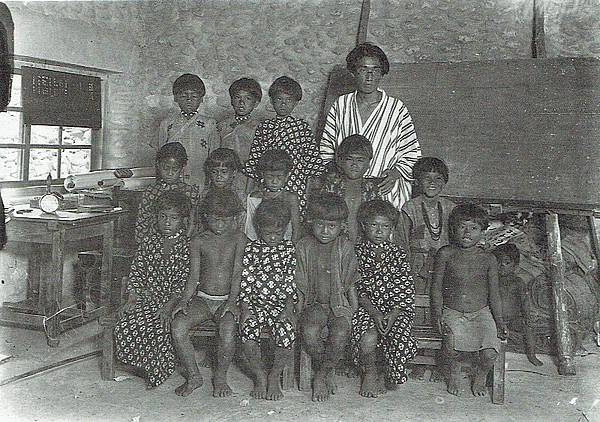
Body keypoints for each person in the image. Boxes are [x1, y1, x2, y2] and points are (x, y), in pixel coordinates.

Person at [320, 42, 421, 210]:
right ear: (353, 72)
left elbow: (412, 152)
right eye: (363, 69)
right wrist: (335, 175)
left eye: (375, 70)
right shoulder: (341, 105)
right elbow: (326, 149)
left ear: (382, 73)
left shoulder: (396, 108)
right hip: (346, 188)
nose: (369, 76)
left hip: (384, 188)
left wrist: (396, 173)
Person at [170, 189, 247, 397]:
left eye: (225, 220)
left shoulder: (240, 238)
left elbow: (238, 272)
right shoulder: (199, 240)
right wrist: (184, 300)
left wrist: (232, 302)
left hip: (228, 300)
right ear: (205, 217)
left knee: (228, 332)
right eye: (214, 220)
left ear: (235, 218)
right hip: (203, 299)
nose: (219, 225)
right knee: (178, 327)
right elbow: (193, 275)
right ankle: (194, 376)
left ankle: (220, 377)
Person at [114, 191, 192, 388]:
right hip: (148, 296)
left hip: (175, 300)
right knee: (127, 323)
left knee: (160, 326)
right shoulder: (149, 242)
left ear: (183, 220)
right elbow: (137, 271)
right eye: (163, 217)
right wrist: (132, 298)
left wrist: (169, 306)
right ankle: (141, 364)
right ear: (156, 217)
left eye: (174, 218)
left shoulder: (187, 246)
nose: (167, 222)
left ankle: (158, 371)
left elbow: (184, 282)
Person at [431, 203, 508, 397]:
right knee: (450, 344)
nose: (467, 232)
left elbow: (494, 294)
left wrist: (499, 321)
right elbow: (436, 289)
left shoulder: (488, 259)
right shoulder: (446, 254)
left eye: (473, 228)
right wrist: (438, 315)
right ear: (453, 229)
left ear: (483, 231)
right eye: (462, 226)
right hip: (452, 312)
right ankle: (454, 370)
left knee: (490, 353)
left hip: (481, 313)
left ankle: (481, 374)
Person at [296, 192, 359, 402]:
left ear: (341, 226)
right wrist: (298, 307)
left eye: (331, 226)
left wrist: (354, 308)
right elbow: (300, 282)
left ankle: (321, 375)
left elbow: (350, 280)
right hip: (314, 303)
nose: (325, 231)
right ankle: (327, 368)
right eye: (320, 225)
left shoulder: (344, 246)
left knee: (340, 333)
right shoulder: (304, 245)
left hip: (339, 303)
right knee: (310, 332)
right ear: (311, 222)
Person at [351, 200, 417, 397]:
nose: (379, 231)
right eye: (374, 225)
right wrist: (375, 313)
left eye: (385, 226)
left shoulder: (398, 253)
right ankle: (370, 373)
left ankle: (386, 373)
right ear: (364, 226)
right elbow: (356, 288)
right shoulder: (357, 252)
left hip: (396, 308)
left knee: (400, 336)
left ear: (392, 228)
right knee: (368, 336)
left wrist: (393, 313)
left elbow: (404, 286)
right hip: (367, 307)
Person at [238, 199, 298, 401]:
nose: (273, 238)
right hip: (254, 304)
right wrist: (245, 309)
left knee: (287, 331)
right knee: (247, 332)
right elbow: (245, 281)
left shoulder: (289, 249)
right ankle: (260, 375)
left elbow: (291, 282)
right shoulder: (252, 249)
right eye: (268, 233)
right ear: (258, 229)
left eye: (278, 234)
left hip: (280, 305)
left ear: (285, 230)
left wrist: (288, 309)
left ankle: (274, 376)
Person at [244, 76, 322, 213]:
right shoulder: (265, 127)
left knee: (292, 216)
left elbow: (311, 161)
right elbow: (254, 160)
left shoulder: (302, 127)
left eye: (289, 100)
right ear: (272, 101)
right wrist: (248, 193)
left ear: (296, 103)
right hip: (269, 182)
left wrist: (308, 193)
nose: (283, 104)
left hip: (295, 182)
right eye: (279, 99)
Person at [310, 134, 383, 243]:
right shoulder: (331, 186)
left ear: (368, 164)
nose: (354, 164)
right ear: (340, 161)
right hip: (335, 246)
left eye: (360, 160)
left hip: (364, 247)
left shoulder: (372, 190)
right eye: (349, 159)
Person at [401, 157, 455, 295]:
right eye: (427, 178)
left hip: (445, 264)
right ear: (417, 181)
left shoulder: (451, 208)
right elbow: (402, 241)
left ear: (444, 182)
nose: (432, 183)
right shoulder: (410, 207)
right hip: (417, 265)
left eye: (438, 178)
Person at [158, 73, 218, 189]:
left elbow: (214, 157)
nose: (189, 100)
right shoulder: (166, 124)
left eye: (194, 96)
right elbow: (160, 156)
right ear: (175, 98)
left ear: (201, 99)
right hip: (172, 180)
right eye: (183, 95)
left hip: (200, 179)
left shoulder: (209, 124)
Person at [135, 142, 200, 246]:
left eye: (175, 169)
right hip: (154, 246)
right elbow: (142, 222)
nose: (170, 173)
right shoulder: (150, 192)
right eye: (166, 168)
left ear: (183, 168)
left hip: (182, 246)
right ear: (158, 164)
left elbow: (194, 224)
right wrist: (143, 247)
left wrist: (183, 245)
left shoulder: (190, 192)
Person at [493, 243, 542, 366]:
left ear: (515, 265)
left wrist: (527, 316)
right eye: (498, 262)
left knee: (529, 327)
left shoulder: (518, 282)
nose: (502, 265)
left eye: (507, 262)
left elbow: (524, 301)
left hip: (513, 319)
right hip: (494, 319)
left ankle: (531, 354)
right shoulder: (491, 281)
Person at [245, 149, 301, 242]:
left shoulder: (290, 198)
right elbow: (250, 228)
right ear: (263, 174)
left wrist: (292, 248)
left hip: (285, 244)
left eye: (279, 177)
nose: (274, 182)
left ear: (287, 176)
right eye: (270, 177)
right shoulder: (255, 198)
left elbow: (296, 229)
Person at [218, 78, 263, 164]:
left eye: (248, 98)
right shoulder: (222, 126)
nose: (242, 102)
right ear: (231, 101)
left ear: (256, 103)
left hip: (249, 174)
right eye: (237, 97)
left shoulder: (260, 128)